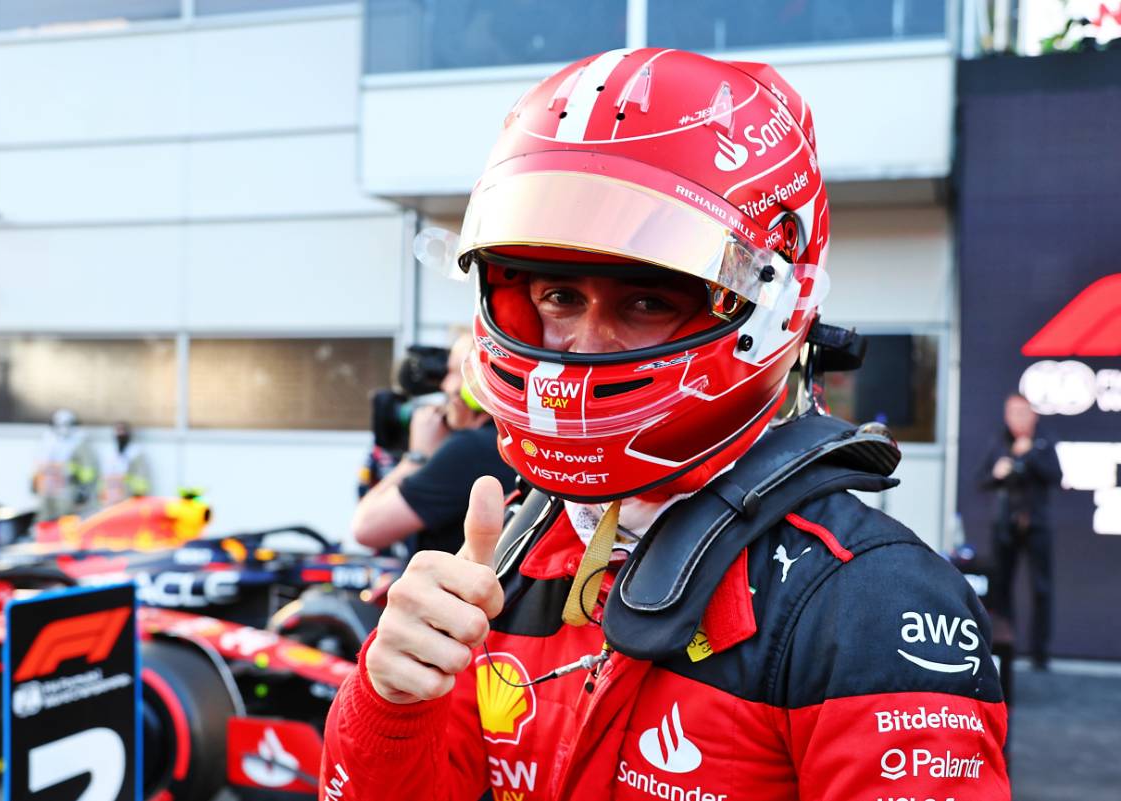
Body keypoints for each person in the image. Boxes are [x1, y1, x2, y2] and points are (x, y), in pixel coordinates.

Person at [321, 49, 1009, 799]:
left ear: (772, 305)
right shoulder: (523, 552)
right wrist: (390, 705)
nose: (585, 343)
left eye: (645, 302)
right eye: (558, 296)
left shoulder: (872, 601)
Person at [351, 333, 516, 555]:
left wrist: (417, 458)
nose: (444, 385)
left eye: (453, 372)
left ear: (477, 383)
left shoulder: (470, 449)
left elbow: (366, 529)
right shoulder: (508, 441)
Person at [980, 392, 1062, 669]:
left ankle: (1040, 654)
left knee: (1041, 588)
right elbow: (981, 480)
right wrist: (997, 472)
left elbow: (1056, 475)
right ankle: (1005, 650)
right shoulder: (999, 440)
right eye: (1012, 412)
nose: (1017, 418)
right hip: (1005, 526)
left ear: (1033, 415)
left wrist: (1029, 455)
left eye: (1022, 412)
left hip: (1036, 524)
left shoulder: (1043, 441)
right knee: (1001, 590)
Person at [32, 408, 98, 521]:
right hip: (47, 491)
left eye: (66, 424)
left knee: (64, 521)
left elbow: (88, 470)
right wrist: (33, 481)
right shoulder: (48, 442)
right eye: (59, 424)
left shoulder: (79, 444)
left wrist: (83, 489)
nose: (63, 428)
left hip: (66, 491)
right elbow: (40, 465)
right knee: (44, 520)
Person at [99, 421, 152, 508]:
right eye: (118, 431)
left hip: (130, 497)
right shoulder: (109, 452)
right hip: (111, 499)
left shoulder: (136, 453)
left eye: (123, 431)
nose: (120, 434)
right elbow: (104, 477)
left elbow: (142, 478)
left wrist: (139, 495)